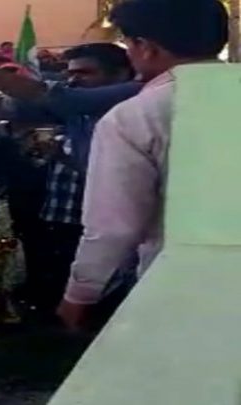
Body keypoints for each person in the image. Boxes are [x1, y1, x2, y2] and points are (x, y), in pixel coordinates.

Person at [57, 0, 229, 330]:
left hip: (184, 286)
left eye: (127, 43)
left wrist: (80, 294)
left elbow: (113, 226)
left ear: (146, 47)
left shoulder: (136, 116)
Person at [0, 43, 142, 314]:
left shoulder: (135, 94)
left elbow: (60, 99)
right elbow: (1, 106)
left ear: (121, 74)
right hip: (73, 218)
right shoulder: (79, 111)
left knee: (111, 301)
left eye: (85, 73)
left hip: (122, 224)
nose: (73, 80)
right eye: (70, 72)